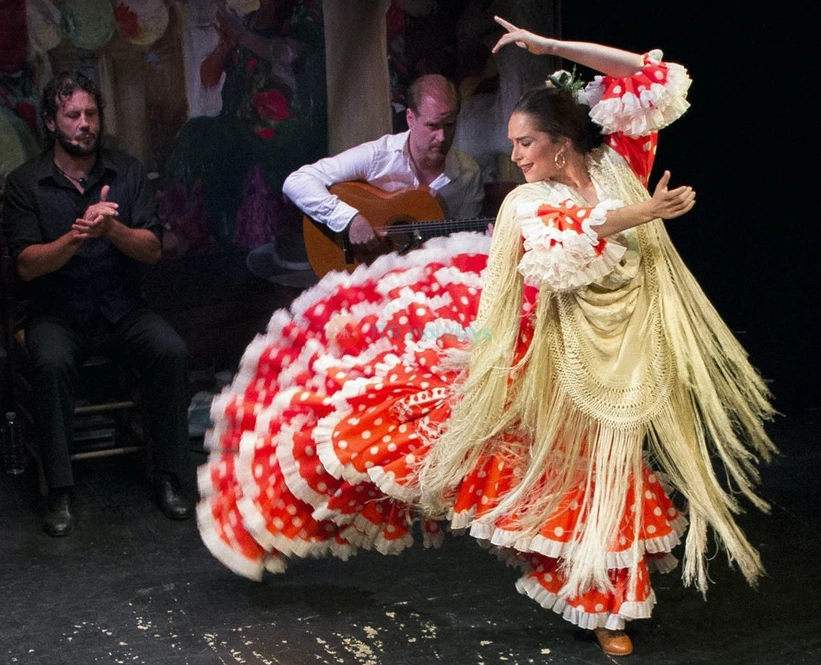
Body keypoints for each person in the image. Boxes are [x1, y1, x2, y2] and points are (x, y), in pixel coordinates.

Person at [195, 18, 776, 658]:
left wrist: (551, 49)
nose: (517, 156)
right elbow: (578, 235)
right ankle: (603, 602)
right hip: (563, 355)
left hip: (632, 343)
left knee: (618, 467)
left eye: (526, 142)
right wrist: (646, 213)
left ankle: (606, 590)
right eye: (514, 144)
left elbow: (645, 72)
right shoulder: (530, 203)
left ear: (563, 142)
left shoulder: (619, 164)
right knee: (570, 471)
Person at [1, 71, 193, 537]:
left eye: (91, 113)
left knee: (170, 351)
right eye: (72, 115)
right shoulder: (26, 183)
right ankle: (59, 491)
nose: (84, 123)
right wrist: (75, 236)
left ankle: (168, 477)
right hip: (57, 313)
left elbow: (151, 250)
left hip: (122, 308)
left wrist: (112, 231)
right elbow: (26, 266)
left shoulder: (126, 172)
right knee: (49, 363)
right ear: (51, 122)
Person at [247, 72, 485, 276]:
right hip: (364, 276)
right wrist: (350, 220)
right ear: (410, 118)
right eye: (433, 126)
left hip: (428, 278)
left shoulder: (468, 174)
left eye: (450, 125)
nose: (442, 137)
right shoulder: (377, 156)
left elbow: (462, 248)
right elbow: (296, 181)